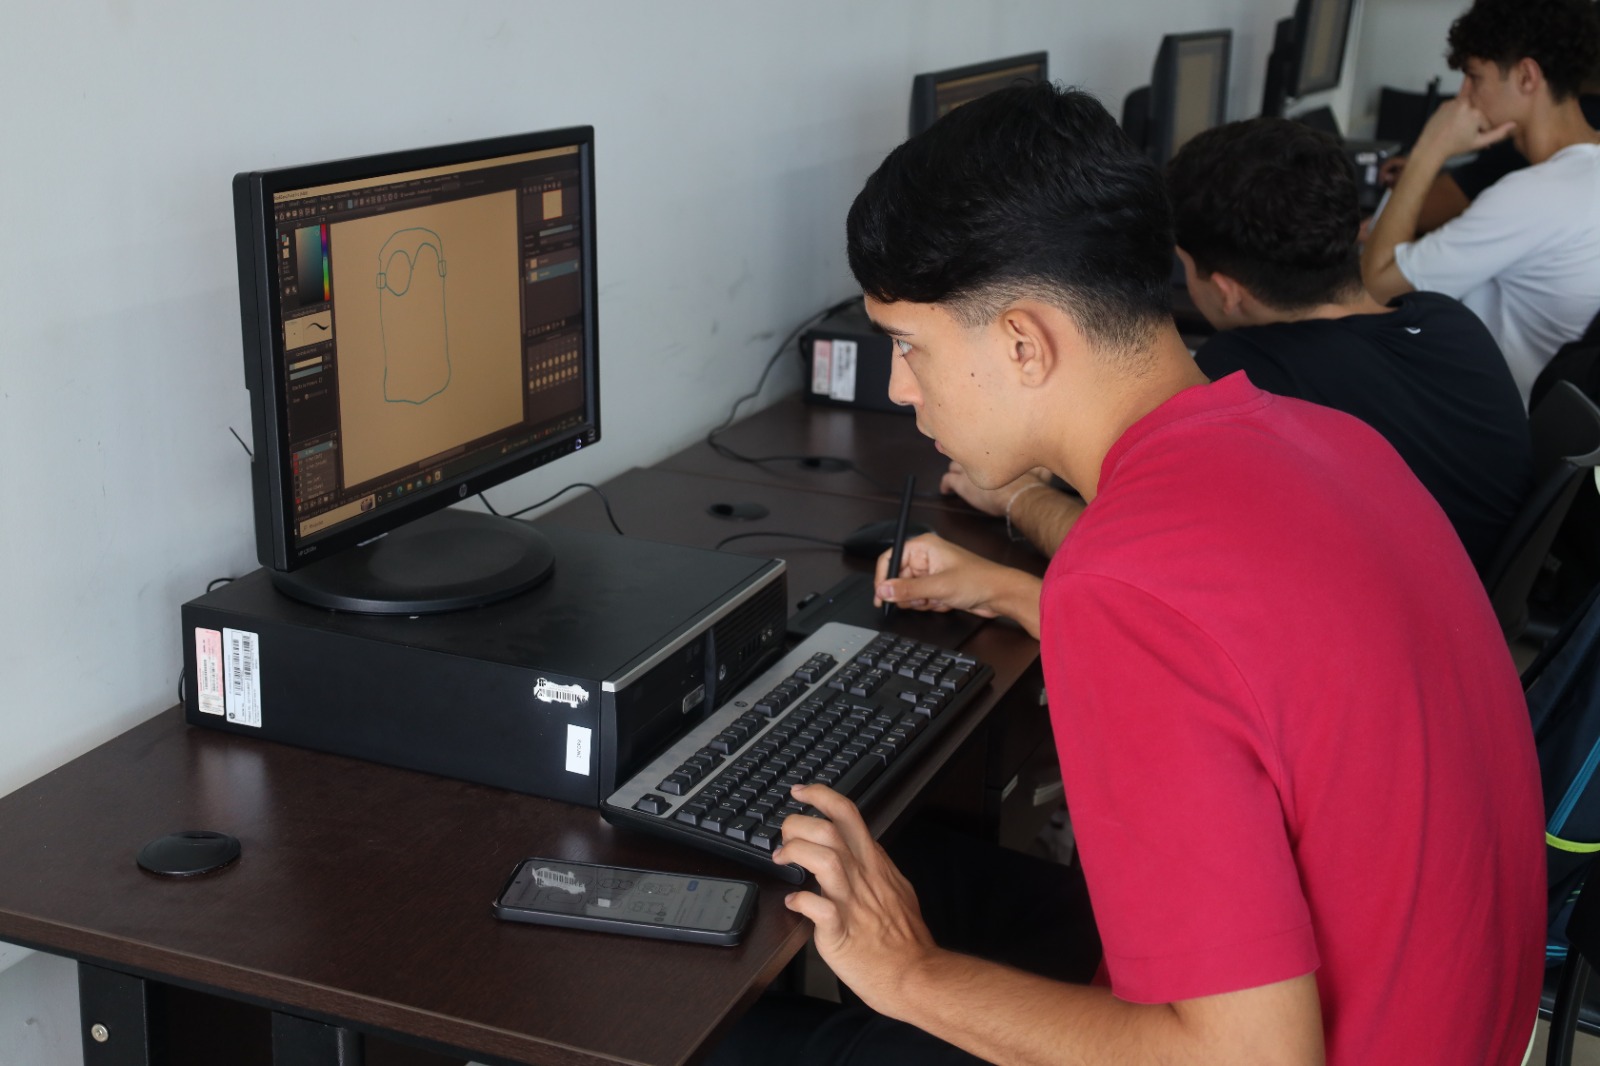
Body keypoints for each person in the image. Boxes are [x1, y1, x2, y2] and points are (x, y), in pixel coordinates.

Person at [719, 82, 1545, 1065]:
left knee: (743, 1033)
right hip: (1455, 1027)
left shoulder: (1124, 584)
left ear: (1024, 343)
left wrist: (909, 975)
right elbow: (1242, 664)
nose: (900, 388)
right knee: (915, 864)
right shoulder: (1332, 443)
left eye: (908, 346)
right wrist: (1014, 593)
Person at [946, 116, 1533, 577]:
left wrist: (1021, 497)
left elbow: (1138, 553)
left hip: (1364, 633)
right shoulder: (1446, 319)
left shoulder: (1247, 381)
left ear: (1227, 292)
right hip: (1467, 618)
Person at [1363, 0, 1600, 404]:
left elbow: (1376, 289)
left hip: (1491, 418)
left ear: (1526, 76)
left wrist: (1430, 149)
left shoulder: (1535, 194)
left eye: (1474, 78)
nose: (1463, 99)